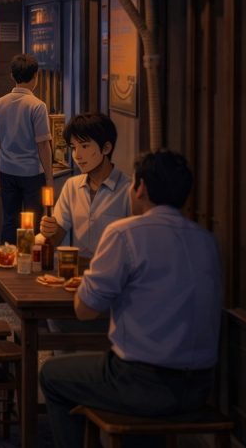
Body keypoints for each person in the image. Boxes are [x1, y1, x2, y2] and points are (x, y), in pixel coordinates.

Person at [40, 151, 221, 448]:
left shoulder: (126, 233)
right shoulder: (206, 240)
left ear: (140, 188)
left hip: (140, 381)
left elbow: (85, 310)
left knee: (51, 374)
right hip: (201, 386)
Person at [40, 113, 131, 260]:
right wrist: (49, 230)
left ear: (106, 148)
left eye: (84, 146)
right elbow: (56, 238)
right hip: (78, 268)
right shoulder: (72, 186)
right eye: (73, 148)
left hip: (114, 270)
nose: (77, 155)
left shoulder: (128, 190)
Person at [0, 54, 53, 246]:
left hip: (7, 171)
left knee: (10, 219)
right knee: (31, 221)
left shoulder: (0, 103)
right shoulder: (38, 106)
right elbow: (43, 145)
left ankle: (6, 256)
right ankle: (29, 259)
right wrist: (49, 177)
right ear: (35, 76)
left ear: (12, 76)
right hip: (32, 173)